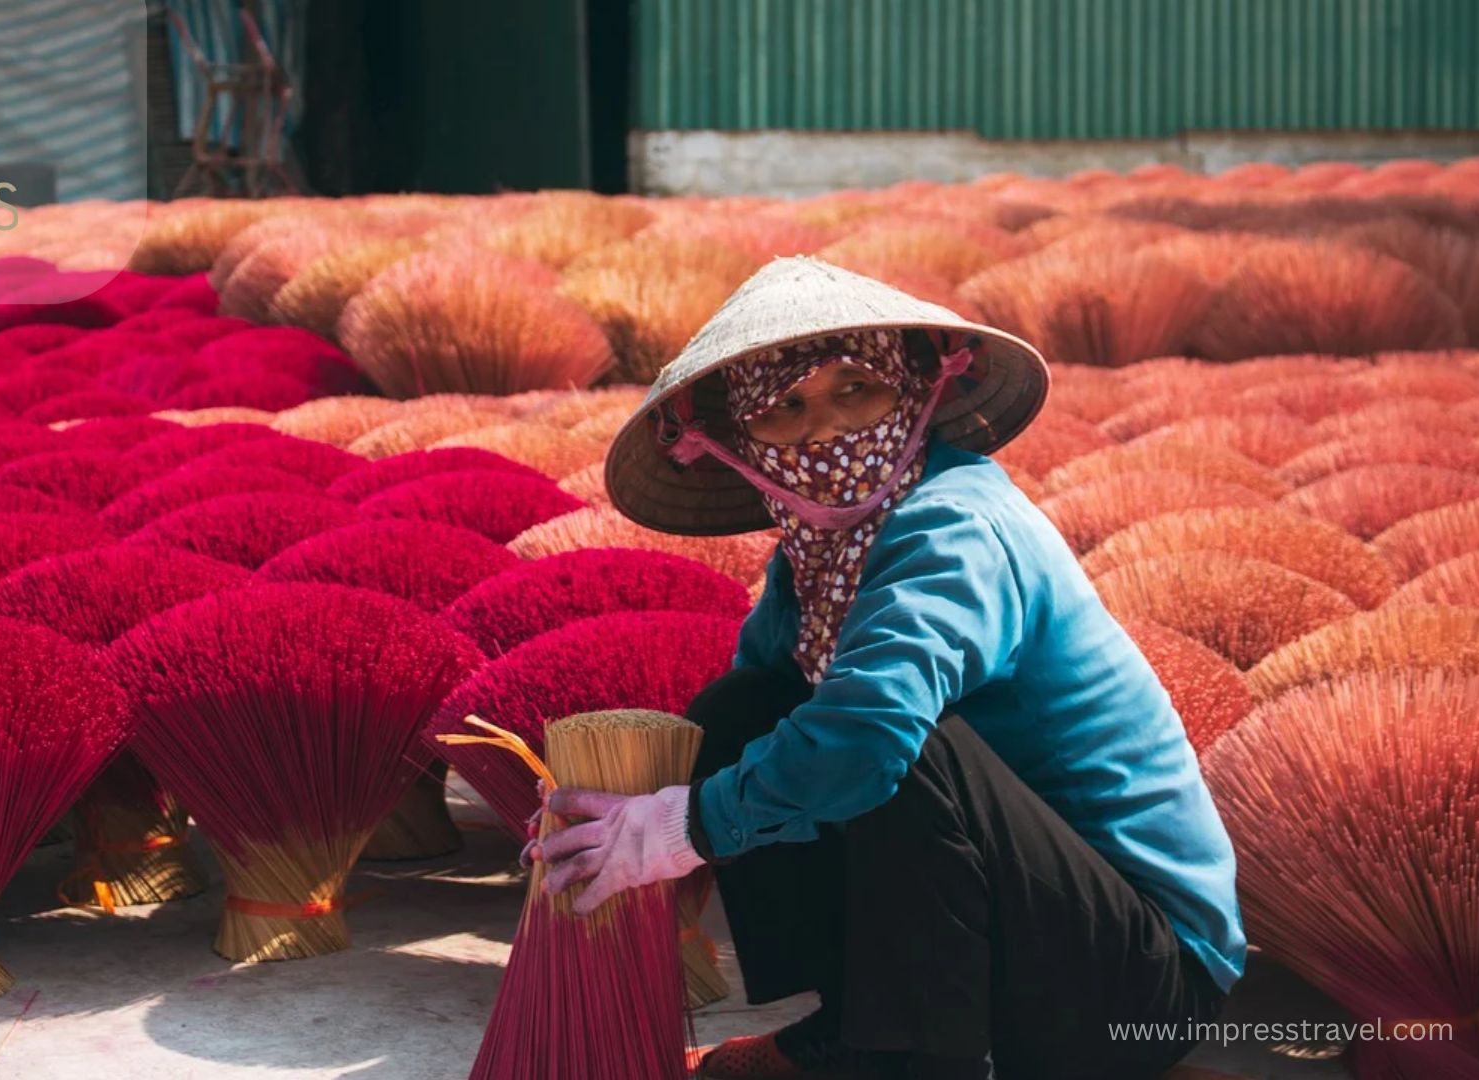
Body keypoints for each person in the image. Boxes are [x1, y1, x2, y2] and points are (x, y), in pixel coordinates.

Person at [531, 258, 1245, 1080]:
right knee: (745, 709)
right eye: (785, 410)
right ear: (738, 444)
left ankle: (909, 1059)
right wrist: (605, 823)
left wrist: (682, 829)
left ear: (915, 390)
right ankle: (845, 1025)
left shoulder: (955, 526)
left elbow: (868, 739)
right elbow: (743, 731)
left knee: (899, 751)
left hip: (1136, 981)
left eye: (854, 391)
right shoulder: (819, 556)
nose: (825, 432)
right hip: (1021, 935)